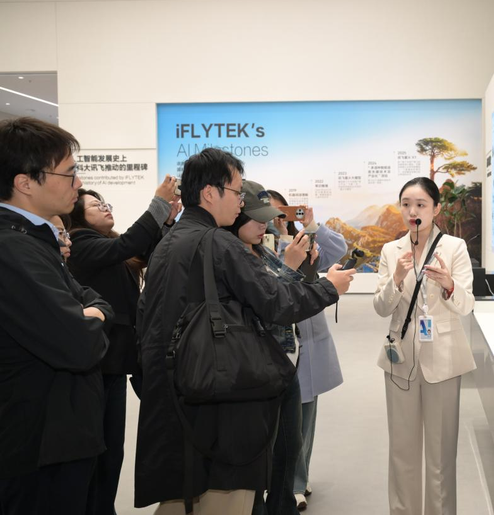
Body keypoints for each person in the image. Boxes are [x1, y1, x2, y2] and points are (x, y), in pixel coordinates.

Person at [135, 148, 355, 514]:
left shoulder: (168, 243)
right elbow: (277, 302)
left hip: (178, 391)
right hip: (222, 395)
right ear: (210, 193)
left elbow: (146, 316)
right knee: (227, 497)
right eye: (237, 192)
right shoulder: (219, 242)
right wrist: (329, 288)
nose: (241, 202)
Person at [0, 117, 114, 515]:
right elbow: (80, 344)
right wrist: (90, 318)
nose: (78, 184)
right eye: (68, 174)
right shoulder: (14, 249)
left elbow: (95, 302)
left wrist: (91, 313)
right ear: (25, 182)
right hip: (38, 446)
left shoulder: (34, 241)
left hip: (58, 438)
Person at [65, 177, 181, 515]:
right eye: (95, 205)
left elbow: (144, 251)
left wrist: (166, 222)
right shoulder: (80, 243)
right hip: (97, 364)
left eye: (105, 203)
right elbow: (129, 244)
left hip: (115, 363)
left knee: (112, 448)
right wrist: (157, 204)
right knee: (99, 448)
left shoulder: (107, 245)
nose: (105, 208)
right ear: (78, 216)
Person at [373, 177, 475, 515]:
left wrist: (449, 285)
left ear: (436, 208)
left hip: (443, 360)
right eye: (406, 204)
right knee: (401, 451)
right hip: (399, 359)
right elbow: (381, 307)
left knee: (441, 455)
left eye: (420, 205)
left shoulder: (454, 248)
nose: (412, 211)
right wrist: (396, 280)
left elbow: (467, 305)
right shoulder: (391, 251)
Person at [223, 180, 312, 515]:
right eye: (257, 218)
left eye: (267, 217)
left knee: (288, 451)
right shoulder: (230, 256)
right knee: (260, 459)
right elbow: (271, 304)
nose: (265, 224)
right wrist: (290, 267)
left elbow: (289, 298)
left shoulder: (261, 250)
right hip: (257, 369)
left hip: (284, 364)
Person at [265, 190, 347, 511]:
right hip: (278, 346)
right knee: (283, 422)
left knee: (305, 419)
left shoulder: (304, 242)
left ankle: (298, 481)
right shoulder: (258, 250)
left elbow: (338, 249)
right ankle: (283, 481)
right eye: (267, 213)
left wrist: (311, 226)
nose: (273, 220)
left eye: (280, 212)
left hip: (308, 343)